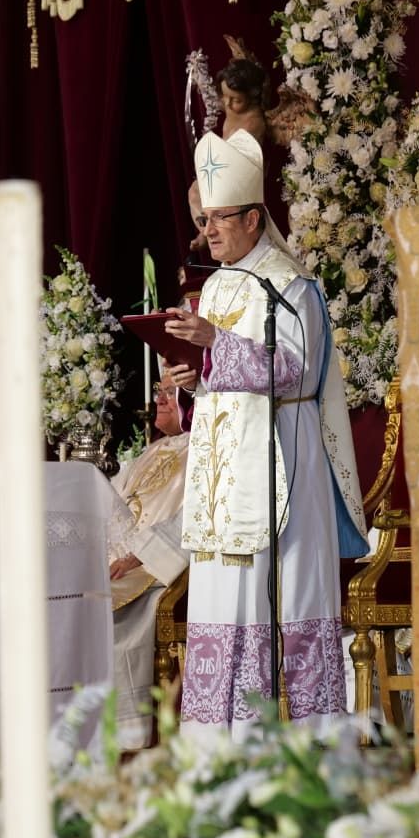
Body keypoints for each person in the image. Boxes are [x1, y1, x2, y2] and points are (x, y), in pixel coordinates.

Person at [164, 129, 367, 736]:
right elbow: (220, 378)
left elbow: (298, 370)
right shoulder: (217, 285)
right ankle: (215, 750)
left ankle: (303, 747)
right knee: (220, 600)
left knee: (287, 600)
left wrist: (215, 344)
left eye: (220, 218)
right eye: (204, 219)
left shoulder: (290, 285)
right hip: (224, 482)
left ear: (254, 218)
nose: (208, 230)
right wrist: (194, 375)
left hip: (283, 466)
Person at [106, 370, 191, 749]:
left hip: (157, 569)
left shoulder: (206, 448)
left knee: (103, 612)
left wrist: (140, 554)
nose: (159, 400)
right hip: (118, 559)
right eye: (159, 390)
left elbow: (196, 519)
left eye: (171, 393)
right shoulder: (151, 450)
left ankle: (125, 737)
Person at [217, 58, 270, 143]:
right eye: (224, 95)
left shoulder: (252, 125)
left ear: (252, 98)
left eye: (236, 100)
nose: (227, 103)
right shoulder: (231, 107)